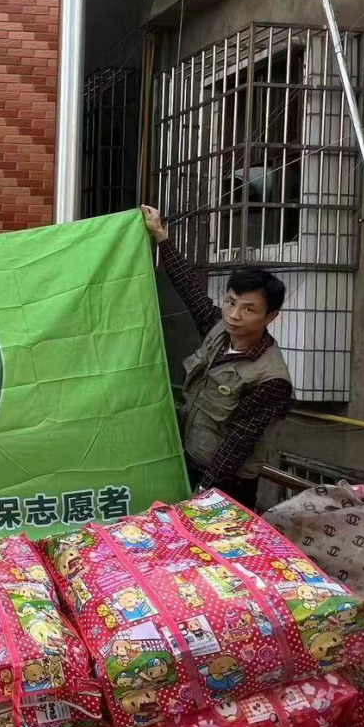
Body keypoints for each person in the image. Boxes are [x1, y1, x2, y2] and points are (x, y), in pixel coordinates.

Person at [141, 205, 293, 509]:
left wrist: (201, 494)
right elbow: (189, 288)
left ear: (270, 316)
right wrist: (159, 234)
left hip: (228, 484)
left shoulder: (270, 379)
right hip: (189, 459)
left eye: (248, 309)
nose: (234, 315)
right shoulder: (217, 330)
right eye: (230, 302)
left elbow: (237, 444)